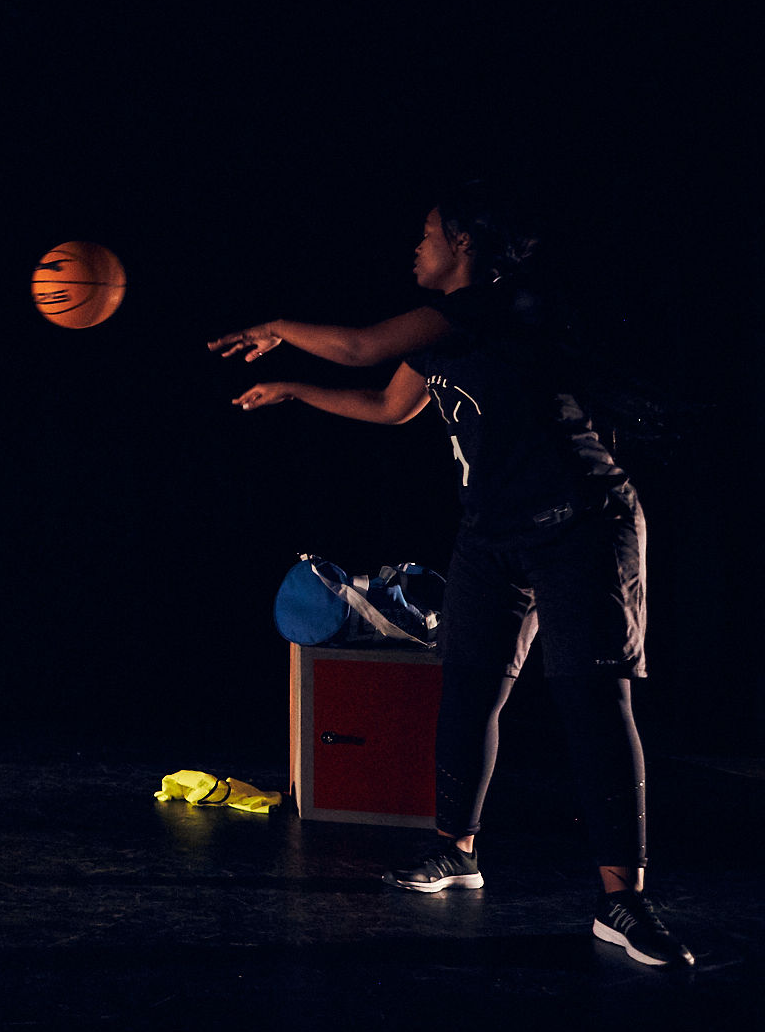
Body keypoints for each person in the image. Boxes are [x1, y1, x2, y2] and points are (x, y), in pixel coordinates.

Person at [207, 185, 691, 967]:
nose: (416, 246)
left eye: (428, 234)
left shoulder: (501, 304)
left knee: (594, 702)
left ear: (464, 245)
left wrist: (278, 329)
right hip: (492, 535)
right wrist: (294, 388)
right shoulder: (441, 329)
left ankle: (622, 901)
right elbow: (389, 403)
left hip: (580, 526)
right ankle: (457, 852)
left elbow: (362, 347)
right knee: (468, 689)